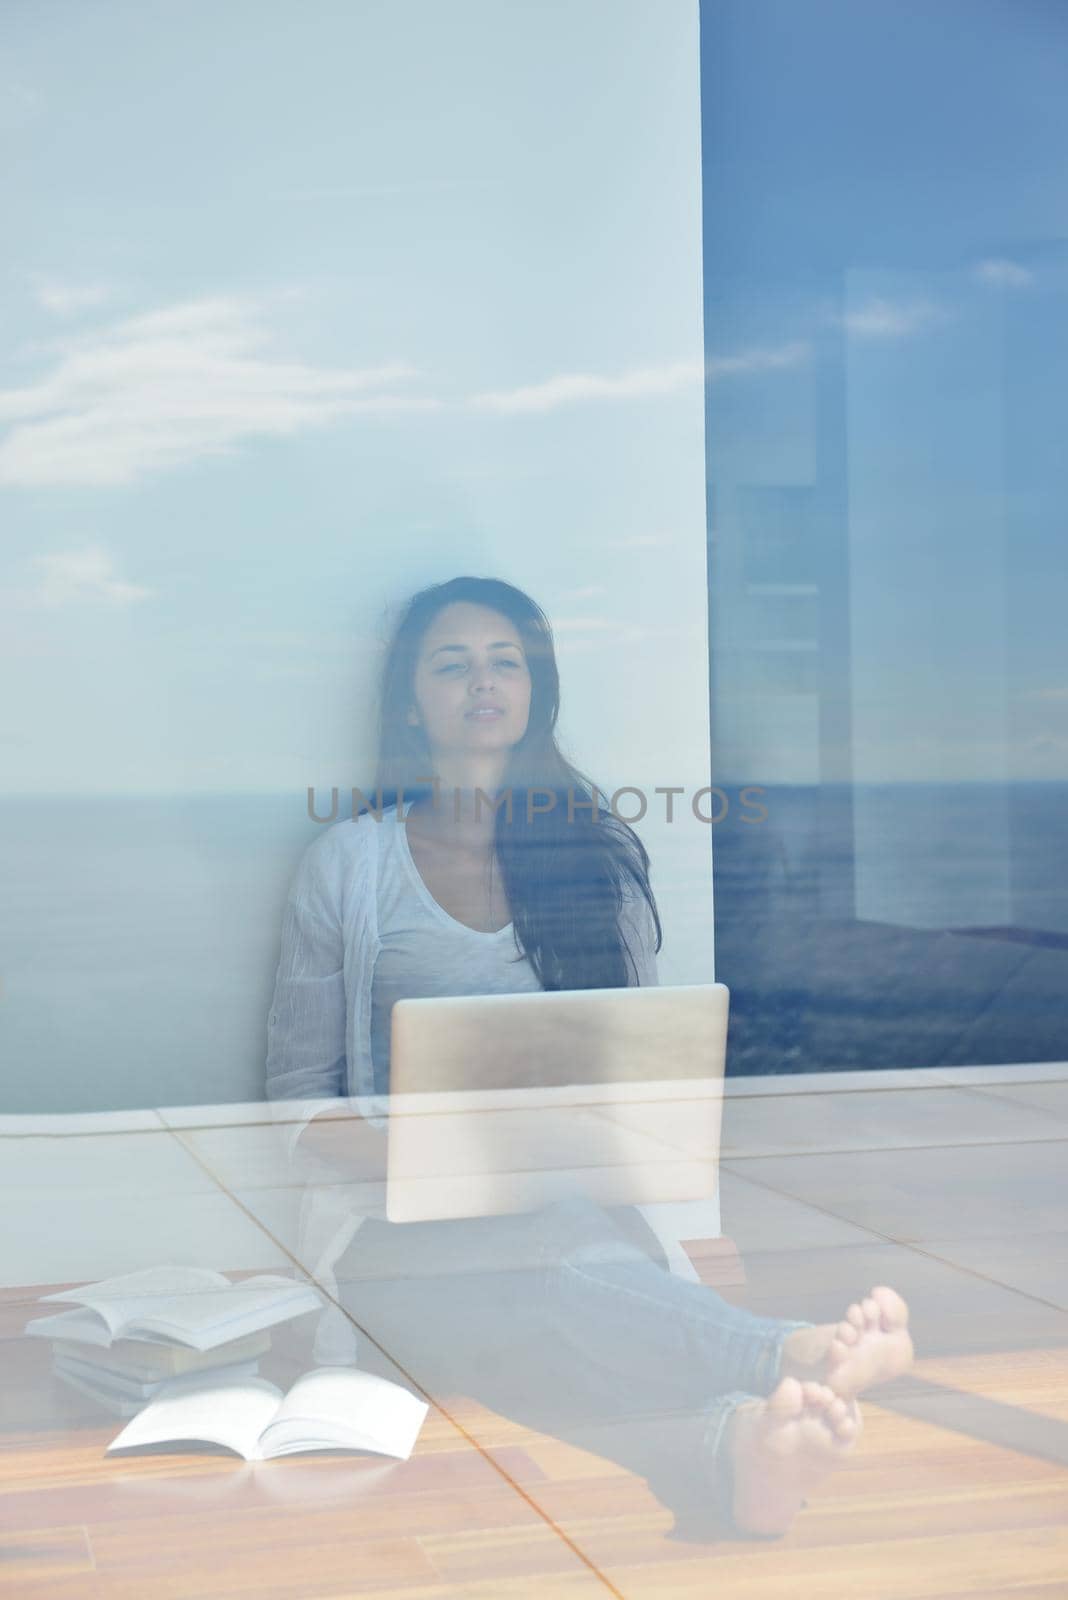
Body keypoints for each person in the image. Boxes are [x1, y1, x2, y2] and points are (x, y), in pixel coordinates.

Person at [266, 575, 913, 1538]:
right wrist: (434, 1167)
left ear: (536, 691)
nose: (482, 683)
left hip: (569, 1222)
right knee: (551, 1259)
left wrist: (569, 1157)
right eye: (453, 664)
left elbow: (646, 1078)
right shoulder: (349, 867)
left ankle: (733, 1453)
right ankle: (784, 1354)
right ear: (411, 701)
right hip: (392, 1239)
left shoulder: (594, 851)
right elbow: (293, 1106)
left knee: (532, 1309)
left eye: (505, 663)